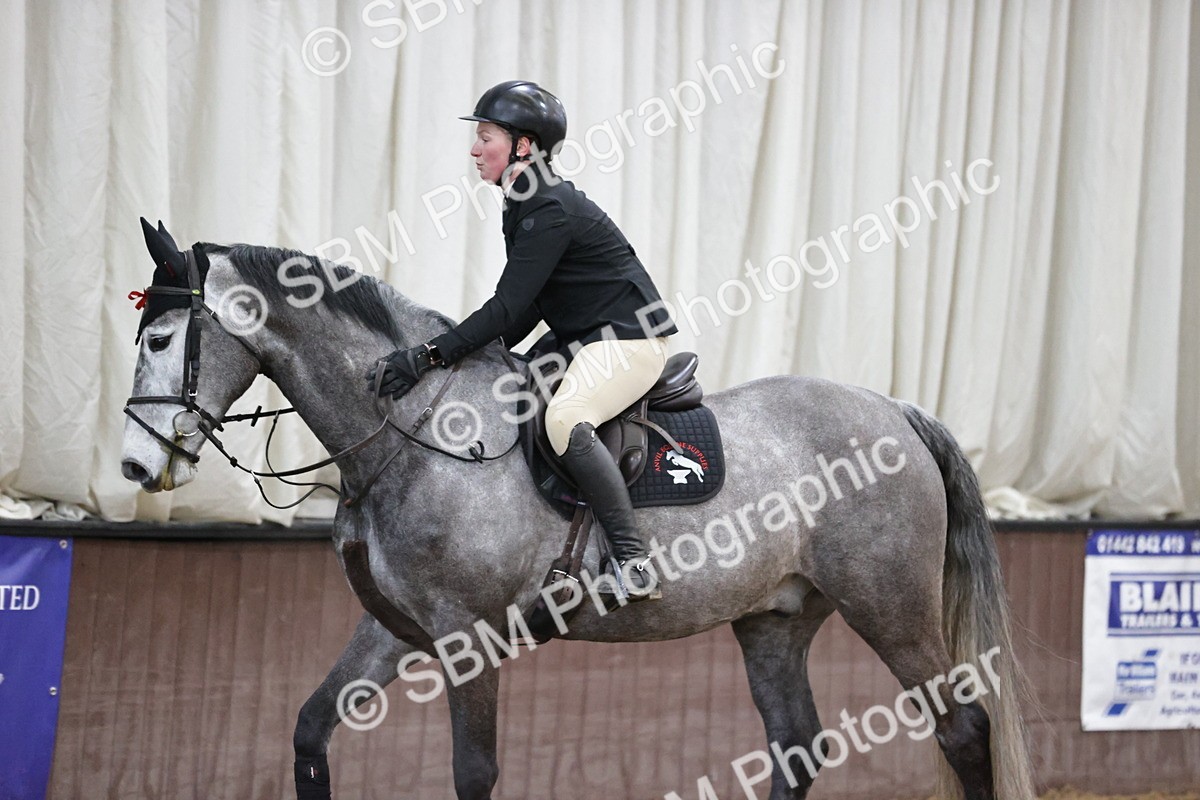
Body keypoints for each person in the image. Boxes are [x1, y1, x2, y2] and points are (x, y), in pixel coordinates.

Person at [369, 80, 678, 601]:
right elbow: (529, 306)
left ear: (524, 145)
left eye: (485, 137)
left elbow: (508, 306)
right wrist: (474, 355)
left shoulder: (548, 206)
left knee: (564, 420)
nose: (473, 149)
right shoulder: (525, 199)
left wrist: (429, 354)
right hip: (582, 337)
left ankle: (632, 560)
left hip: (629, 342)